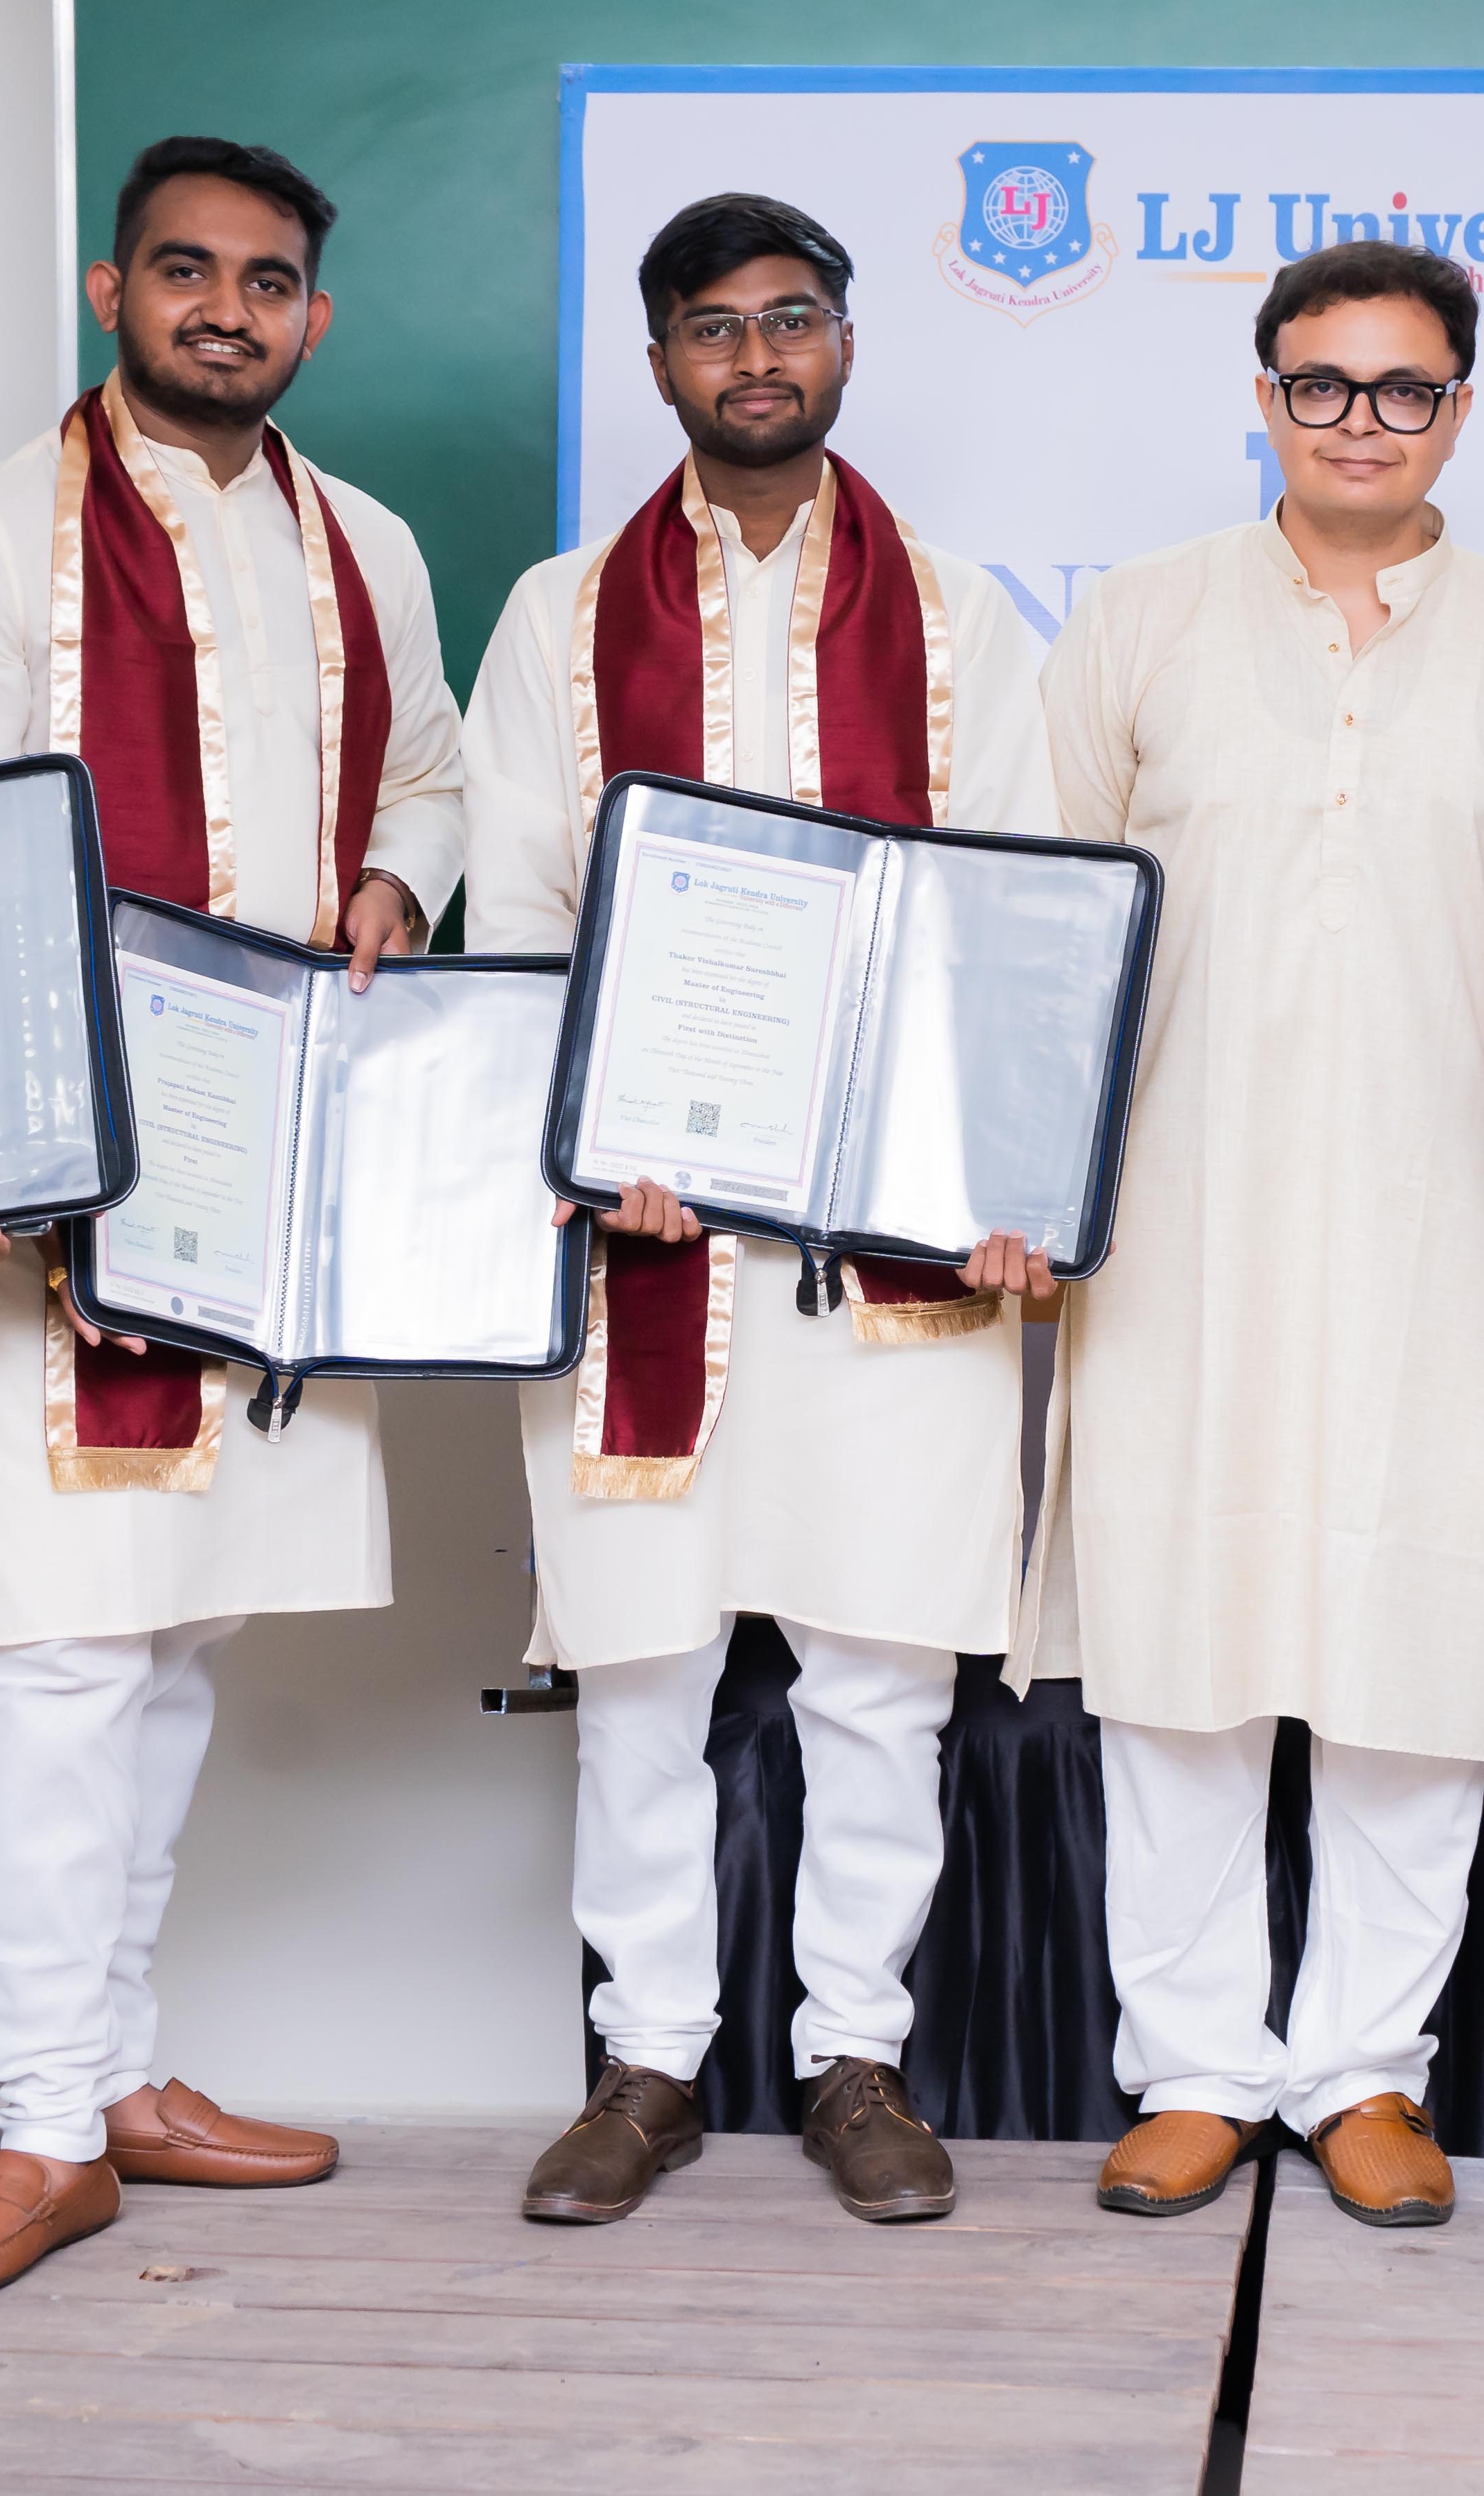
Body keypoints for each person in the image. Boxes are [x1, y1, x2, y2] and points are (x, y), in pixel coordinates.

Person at [0, 137, 467, 2301]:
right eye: (187, 272)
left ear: (316, 313)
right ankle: (43, 2126)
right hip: (58, 1173)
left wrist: (396, 879)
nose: (228, 309)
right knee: (58, 1651)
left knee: (179, 1639)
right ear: (112, 291)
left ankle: (115, 2075)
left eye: (268, 280)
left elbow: (430, 773)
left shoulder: (364, 541)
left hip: (271, 1163)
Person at [1016, 239, 1484, 2228]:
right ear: (1265, 395)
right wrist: (1022, 1183)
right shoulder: (1139, 621)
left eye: (1405, 389)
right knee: (1174, 1639)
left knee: (1417, 1638)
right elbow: (1035, 931)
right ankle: (1197, 2068)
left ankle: (1370, 2069)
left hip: (1446, 1222)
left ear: (1462, 408)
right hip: (1177, 1216)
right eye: (1323, 384)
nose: (1362, 421)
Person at [460, 192, 1057, 2228]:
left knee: (879, 1676)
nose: (757, 357)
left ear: (847, 343)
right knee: (640, 1671)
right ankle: (648, 2062)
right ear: (662, 365)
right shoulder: (562, 616)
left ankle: (853, 2057)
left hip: (889, 1249)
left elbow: (1021, 921)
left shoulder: (963, 618)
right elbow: (522, 915)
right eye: (714, 328)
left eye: (792, 319)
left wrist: (1003, 1179)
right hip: (655, 1233)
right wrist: (593, 1129)